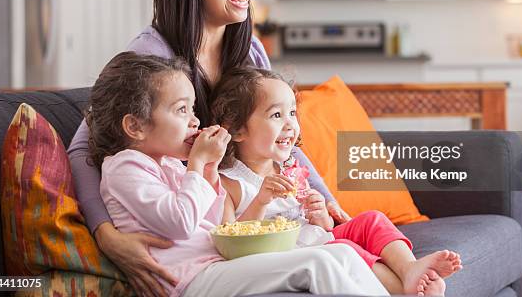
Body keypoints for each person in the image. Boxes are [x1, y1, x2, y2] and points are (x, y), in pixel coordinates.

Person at [67, 0, 350, 296]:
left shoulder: (249, 50)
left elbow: (281, 139)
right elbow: (85, 146)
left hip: (242, 217)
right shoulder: (151, 57)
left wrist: (327, 201)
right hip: (203, 236)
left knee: (354, 256)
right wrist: (106, 236)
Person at [87, 51, 389, 297]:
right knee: (317, 262)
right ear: (135, 126)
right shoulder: (124, 167)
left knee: (342, 255)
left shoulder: (168, 164)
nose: (194, 121)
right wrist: (197, 165)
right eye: (181, 110)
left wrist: (208, 169)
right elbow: (179, 222)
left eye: (193, 110)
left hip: (215, 265)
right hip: (189, 281)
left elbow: (217, 222)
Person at [210, 67, 463, 297]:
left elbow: (322, 226)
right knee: (346, 248)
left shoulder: (289, 168)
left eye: (292, 113)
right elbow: (230, 243)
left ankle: (410, 269)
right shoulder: (229, 182)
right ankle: (404, 291)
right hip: (291, 254)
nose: (290, 124)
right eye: (276, 115)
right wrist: (260, 201)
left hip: (315, 235)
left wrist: (319, 213)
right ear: (237, 129)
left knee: (371, 220)